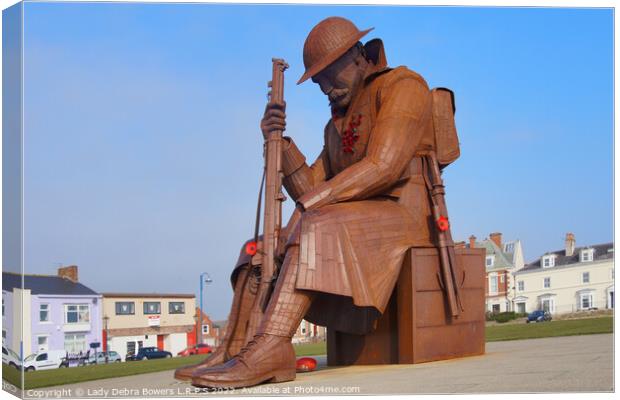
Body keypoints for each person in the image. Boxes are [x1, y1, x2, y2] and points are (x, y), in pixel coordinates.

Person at [175, 16, 442, 388]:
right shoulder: (337, 122)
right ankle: (236, 348)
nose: (326, 89)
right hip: (353, 216)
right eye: (319, 82)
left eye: (331, 76)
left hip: (405, 215)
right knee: (258, 247)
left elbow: (383, 166)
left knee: (315, 221)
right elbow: (312, 187)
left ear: (358, 55)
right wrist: (279, 145)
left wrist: (310, 205)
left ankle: (273, 346)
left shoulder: (403, 86)